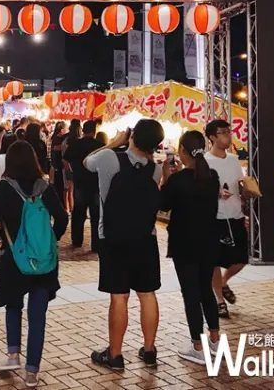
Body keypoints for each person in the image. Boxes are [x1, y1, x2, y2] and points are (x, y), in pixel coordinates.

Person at [0, 141, 68, 388]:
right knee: (37, 316)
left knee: (13, 305)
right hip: (44, 261)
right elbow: (62, 218)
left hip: (14, 258)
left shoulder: (5, 188)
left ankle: (13, 355)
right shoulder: (45, 187)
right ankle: (32, 371)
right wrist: (50, 240)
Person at [85, 119, 165, 370]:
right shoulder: (155, 169)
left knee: (119, 296)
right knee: (147, 293)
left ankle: (115, 354)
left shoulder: (109, 157)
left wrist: (113, 142)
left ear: (132, 135)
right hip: (146, 238)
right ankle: (149, 351)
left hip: (113, 237)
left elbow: (87, 162)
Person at [160, 131, 221, 364]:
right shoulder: (212, 176)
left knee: (191, 293)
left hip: (184, 243)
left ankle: (197, 345)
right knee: (205, 289)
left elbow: (163, 205)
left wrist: (166, 179)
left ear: (183, 151)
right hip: (209, 241)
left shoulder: (178, 180)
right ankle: (214, 340)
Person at [204, 119, 249, 319]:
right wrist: (216, 193)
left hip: (235, 214)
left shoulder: (233, 159)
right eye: (223, 132)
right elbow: (201, 190)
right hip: (216, 218)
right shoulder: (205, 161)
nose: (228, 136)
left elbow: (240, 184)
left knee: (241, 259)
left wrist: (247, 191)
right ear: (212, 137)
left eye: (228, 132)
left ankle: (223, 282)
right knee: (214, 261)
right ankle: (220, 301)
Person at [63, 120, 103, 251]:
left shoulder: (76, 144)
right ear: (94, 131)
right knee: (96, 214)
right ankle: (96, 244)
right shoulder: (100, 146)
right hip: (95, 183)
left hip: (80, 182)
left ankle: (76, 240)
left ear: (83, 130)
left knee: (78, 212)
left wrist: (70, 172)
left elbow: (65, 159)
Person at [61, 120, 81, 212]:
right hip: (72, 166)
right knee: (71, 189)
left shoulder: (65, 140)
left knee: (67, 188)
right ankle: (72, 209)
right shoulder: (77, 141)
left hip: (66, 166)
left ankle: (67, 208)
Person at [49, 122, 67, 204]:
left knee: (57, 184)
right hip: (58, 164)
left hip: (55, 164)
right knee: (59, 185)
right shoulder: (58, 138)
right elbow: (56, 148)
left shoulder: (54, 137)